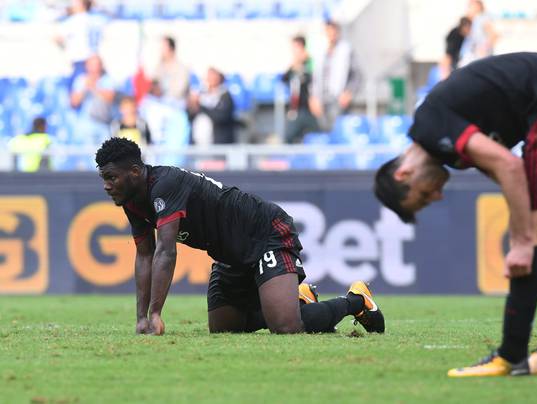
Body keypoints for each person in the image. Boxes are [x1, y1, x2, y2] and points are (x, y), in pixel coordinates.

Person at [374, 52, 537, 376]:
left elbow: (509, 166)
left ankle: (510, 356)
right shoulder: (451, 152)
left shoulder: (428, 124)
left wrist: (522, 241)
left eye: (424, 196)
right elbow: (509, 175)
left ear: (403, 175)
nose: (438, 194)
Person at [95, 137, 385, 336]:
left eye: (111, 177)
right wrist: (140, 318)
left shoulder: (165, 184)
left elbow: (166, 252)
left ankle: (356, 300)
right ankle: (299, 301)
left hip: (265, 232)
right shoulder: (132, 199)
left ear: (135, 171)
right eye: (104, 179)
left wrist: (155, 314)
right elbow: (145, 255)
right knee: (224, 327)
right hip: (229, 254)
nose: (107, 186)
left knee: (285, 327)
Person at [311, 20, 361, 132]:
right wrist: (314, 97)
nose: (331, 35)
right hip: (321, 100)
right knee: (322, 131)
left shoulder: (345, 50)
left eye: (333, 32)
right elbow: (314, 78)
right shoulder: (320, 51)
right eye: (328, 32)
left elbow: (357, 75)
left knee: (337, 130)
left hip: (338, 98)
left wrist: (349, 92)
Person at [55, 0, 107, 91]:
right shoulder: (96, 20)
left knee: (77, 92)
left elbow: (57, 38)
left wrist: (65, 48)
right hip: (95, 62)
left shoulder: (75, 20)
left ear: (81, 5)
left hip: (80, 61)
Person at [281, 35, 320, 143]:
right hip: (295, 109)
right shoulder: (294, 67)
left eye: (296, 47)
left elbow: (312, 80)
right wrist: (293, 66)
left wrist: (304, 63)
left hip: (308, 109)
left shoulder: (309, 63)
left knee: (317, 136)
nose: (294, 51)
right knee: (288, 138)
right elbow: (284, 79)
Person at [70, 54, 115, 146]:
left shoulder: (107, 80)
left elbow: (110, 98)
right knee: (87, 156)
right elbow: (74, 102)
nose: (94, 68)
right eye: (91, 65)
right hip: (86, 124)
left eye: (96, 65)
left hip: (103, 123)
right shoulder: (81, 80)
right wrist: (84, 89)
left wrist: (94, 87)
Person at [187, 67, 236, 145]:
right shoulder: (201, 94)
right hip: (199, 141)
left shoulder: (225, 96)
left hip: (217, 142)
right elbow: (190, 115)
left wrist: (201, 105)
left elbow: (221, 116)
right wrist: (192, 104)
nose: (209, 79)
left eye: (212, 76)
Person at [152, 36, 190, 106]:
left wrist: (162, 95)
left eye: (163, 47)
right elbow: (154, 84)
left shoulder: (181, 68)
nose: (160, 50)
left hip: (176, 104)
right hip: (159, 102)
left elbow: (178, 92)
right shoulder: (159, 67)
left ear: (171, 49)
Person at [458, 0, 497, 67]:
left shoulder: (483, 18)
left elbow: (493, 35)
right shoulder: (475, 19)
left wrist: (484, 49)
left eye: (471, 6)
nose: (469, 8)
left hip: (481, 55)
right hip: (474, 54)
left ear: (478, 6)